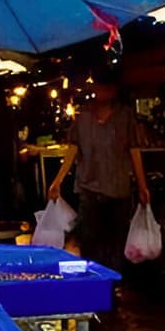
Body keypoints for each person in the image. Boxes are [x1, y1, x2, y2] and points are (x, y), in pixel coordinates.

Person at [48, 81, 151, 271]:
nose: (104, 91)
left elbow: (134, 150)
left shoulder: (125, 117)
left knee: (114, 245)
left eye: (108, 87)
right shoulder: (84, 117)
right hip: (89, 189)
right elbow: (73, 148)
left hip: (118, 191)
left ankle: (111, 285)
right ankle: (93, 282)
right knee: (89, 243)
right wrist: (58, 181)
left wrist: (142, 185)